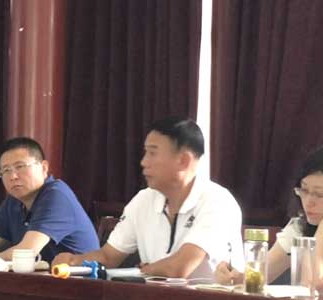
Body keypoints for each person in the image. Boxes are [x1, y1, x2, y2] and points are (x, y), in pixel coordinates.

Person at [52, 117, 244, 279]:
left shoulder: (217, 201)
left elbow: (178, 269)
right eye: (146, 153)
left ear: (183, 161)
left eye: (153, 153)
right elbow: (109, 257)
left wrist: (145, 270)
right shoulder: (144, 200)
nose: (144, 162)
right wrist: (73, 261)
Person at [215, 144, 323, 296]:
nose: (308, 202)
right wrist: (232, 277)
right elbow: (260, 275)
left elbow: (315, 286)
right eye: (304, 190)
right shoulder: (300, 226)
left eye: (320, 194)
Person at [0, 137, 99, 263]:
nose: (13, 176)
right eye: (6, 170)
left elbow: (27, 252)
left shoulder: (57, 195)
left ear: (44, 168)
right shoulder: (13, 200)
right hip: (38, 275)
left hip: (77, 275)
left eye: (20, 166)